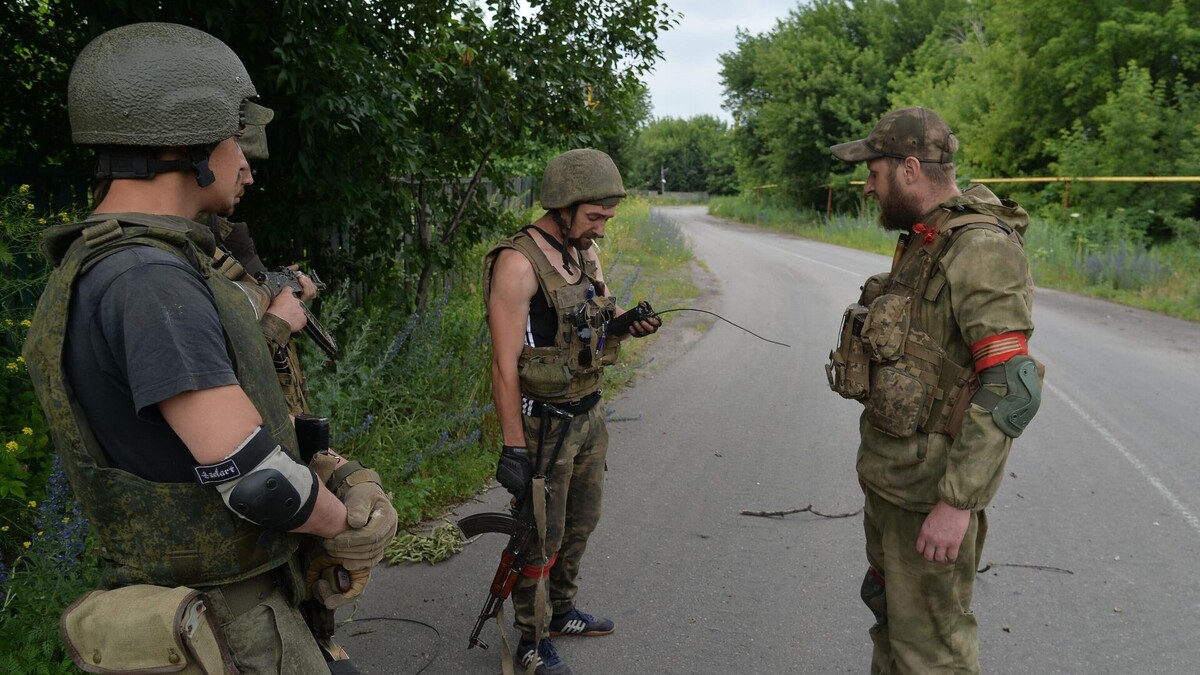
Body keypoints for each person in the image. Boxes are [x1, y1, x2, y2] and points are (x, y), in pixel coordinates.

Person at [22, 22, 396, 674]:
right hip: (229, 626)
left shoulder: (118, 262)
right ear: (185, 136)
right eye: (233, 133)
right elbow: (255, 479)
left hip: (211, 610)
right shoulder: (147, 278)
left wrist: (330, 474)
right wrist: (346, 524)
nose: (244, 156)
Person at [826, 106, 1042, 674]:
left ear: (909, 168)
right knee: (896, 628)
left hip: (930, 497)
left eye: (873, 173)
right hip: (896, 486)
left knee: (934, 654)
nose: (868, 186)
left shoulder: (980, 248)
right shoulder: (928, 241)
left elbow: (1011, 385)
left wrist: (957, 502)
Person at [483, 148, 661, 675]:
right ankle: (531, 639)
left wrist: (624, 325)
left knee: (580, 524)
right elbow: (503, 365)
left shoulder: (583, 253)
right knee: (540, 534)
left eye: (608, 218)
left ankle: (560, 612)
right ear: (563, 205)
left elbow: (595, 325)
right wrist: (513, 446)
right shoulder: (518, 263)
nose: (602, 230)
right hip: (543, 426)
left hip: (589, 415)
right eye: (595, 217)